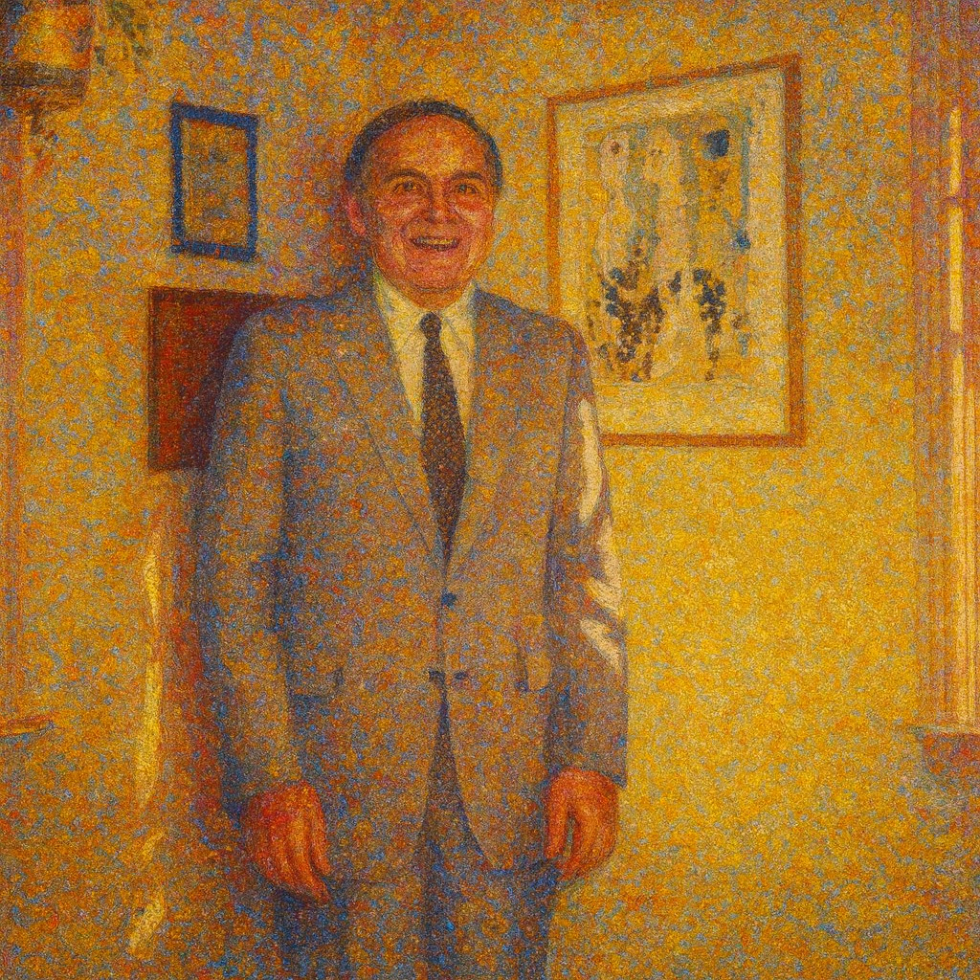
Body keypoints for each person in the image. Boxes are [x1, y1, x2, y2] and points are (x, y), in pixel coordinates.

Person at [195, 99, 628, 980]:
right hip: (336, 787)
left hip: (513, 788)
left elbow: (583, 572)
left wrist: (590, 757)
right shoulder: (282, 351)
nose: (439, 212)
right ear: (358, 213)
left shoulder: (550, 355)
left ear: (491, 212)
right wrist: (268, 774)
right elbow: (231, 585)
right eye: (406, 187)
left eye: (465, 188)